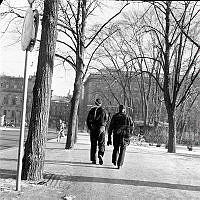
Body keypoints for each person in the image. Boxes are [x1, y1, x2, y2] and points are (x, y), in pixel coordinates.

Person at [107, 105, 134, 169]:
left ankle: (114, 160)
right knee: (123, 149)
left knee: (116, 148)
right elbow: (132, 127)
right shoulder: (128, 117)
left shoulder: (115, 116)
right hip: (125, 135)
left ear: (118, 109)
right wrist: (129, 135)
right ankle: (120, 164)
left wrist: (109, 137)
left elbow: (110, 127)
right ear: (124, 110)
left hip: (116, 134)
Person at [86, 98, 109, 165]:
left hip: (93, 128)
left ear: (95, 103)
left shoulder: (92, 110)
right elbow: (107, 120)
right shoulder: (104, 111)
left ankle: (93, 159)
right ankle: (100, 154)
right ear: (101, 103)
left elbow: (88, 120)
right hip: (102, 128)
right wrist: (105, 127)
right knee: (101, 143)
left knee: (93, 144)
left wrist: (90, 128)